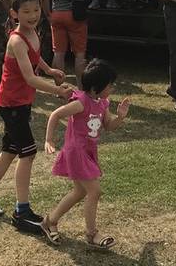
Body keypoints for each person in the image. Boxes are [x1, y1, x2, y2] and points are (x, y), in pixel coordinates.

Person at [0, 0, 70, 229]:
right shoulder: (16, 39)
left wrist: (49, 70)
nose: (32, 15)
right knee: (28, 153)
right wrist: (59, 91)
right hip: (12, 104)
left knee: (10, 151)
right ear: (14, 14)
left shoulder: (33, 32)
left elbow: (35, 58)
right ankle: (21, 212)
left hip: (20, 103)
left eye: (36, 10)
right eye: (26, 11)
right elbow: (29, 78)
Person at [41, 59, 131, 250]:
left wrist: (121, 117)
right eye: (110, 85)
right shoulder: (81, 103)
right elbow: (55, 115)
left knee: (80, 191)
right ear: (96, 87)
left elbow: (109, 126)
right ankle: (92, 235)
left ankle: (50, 221)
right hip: (76, 152)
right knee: (94, 191)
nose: (112, 88)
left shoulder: (102, 103)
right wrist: (49, 140)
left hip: (88, 152)